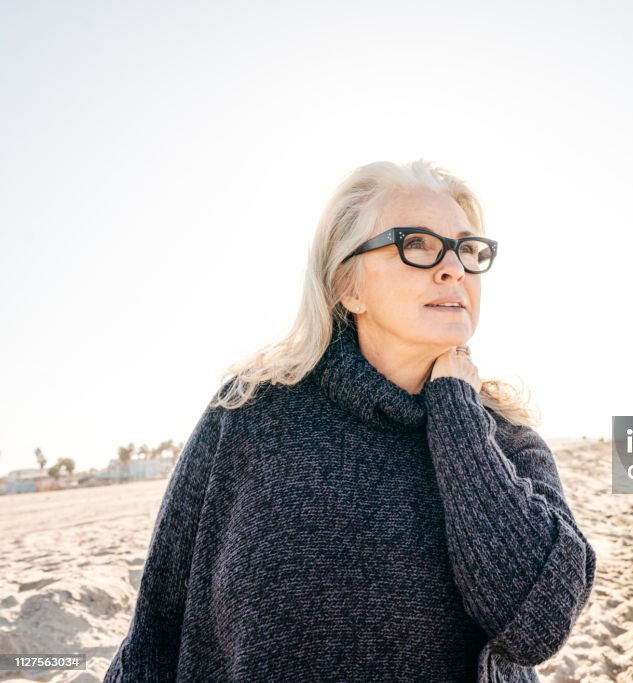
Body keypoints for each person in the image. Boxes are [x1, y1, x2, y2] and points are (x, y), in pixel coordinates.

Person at [103, 159, 597, 682]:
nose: (453, 268)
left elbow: (537, 626)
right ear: (348, 285)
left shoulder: (504, 437)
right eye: (419, 244)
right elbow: (158, 624)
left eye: (467, 250)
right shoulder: (253, 413)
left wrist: (456, 413)